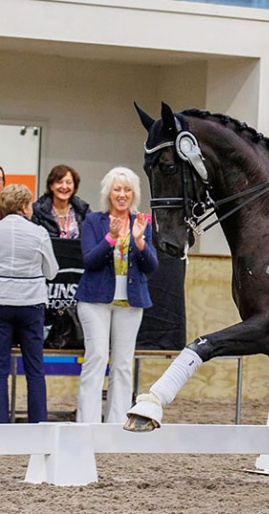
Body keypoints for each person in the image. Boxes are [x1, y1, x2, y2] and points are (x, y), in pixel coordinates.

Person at [75, 166, 158, 423]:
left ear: (134, 193)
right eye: (117, 189)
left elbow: (152, 266)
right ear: (108, 193)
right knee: (97, 357)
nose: (122, 194)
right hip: (94, 300)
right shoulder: (93, 221)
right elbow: (90, 260)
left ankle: (117, 423)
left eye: (127, 189)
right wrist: (110, 238)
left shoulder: (142, 222)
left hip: (130, 302)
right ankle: (87, 423)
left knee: (122, 364)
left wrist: (141, 242)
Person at [0, 184, 59, 423]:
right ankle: (38, 425)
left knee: (0, 371)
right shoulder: (39, 233)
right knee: (35, 370)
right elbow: (52, 272)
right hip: (31, 305)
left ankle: (2, 426)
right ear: (25, 206)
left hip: (2, 301)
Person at [32, 164, 91, 239]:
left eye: (68, 182)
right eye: (59, 182)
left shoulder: (83, 210)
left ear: (74, 186)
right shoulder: (38, 211)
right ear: (51, 186)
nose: (64, 187)